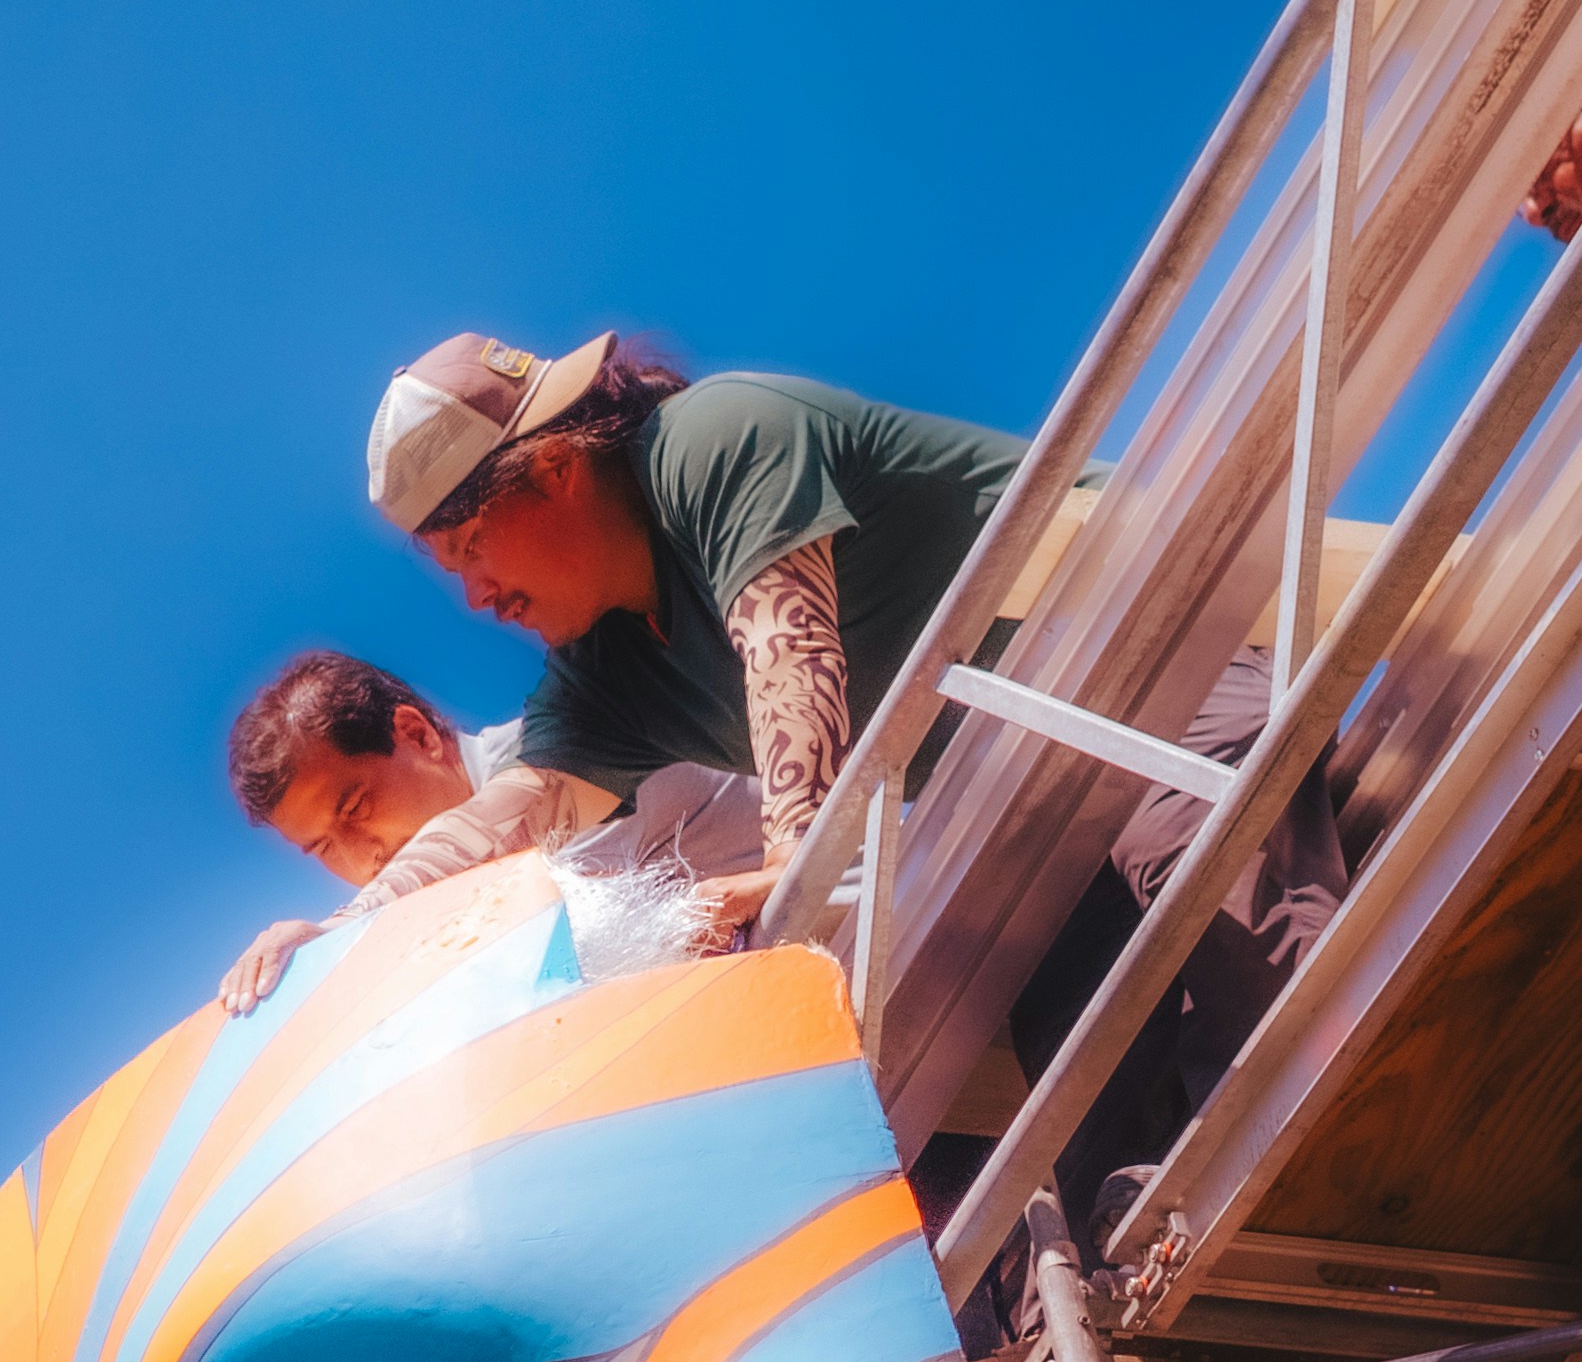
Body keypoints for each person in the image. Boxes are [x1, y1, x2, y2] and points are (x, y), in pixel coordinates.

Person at [364, 330, 1025, 934]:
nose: (476, 597)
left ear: (554, 468)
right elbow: (516, 808)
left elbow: (784, 646)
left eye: (474, 545)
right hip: (1032, 778)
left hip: (1111, 612)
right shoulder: (603, 676)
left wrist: (791, 857)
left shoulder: (713, 436)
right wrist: (351, 926)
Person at [214, 646, 763, 1014]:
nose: (365, 859)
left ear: (418, 734)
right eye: (323, 846)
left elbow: (478, 839)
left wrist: (338, 936)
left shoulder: (571, 754)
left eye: (356, 808)